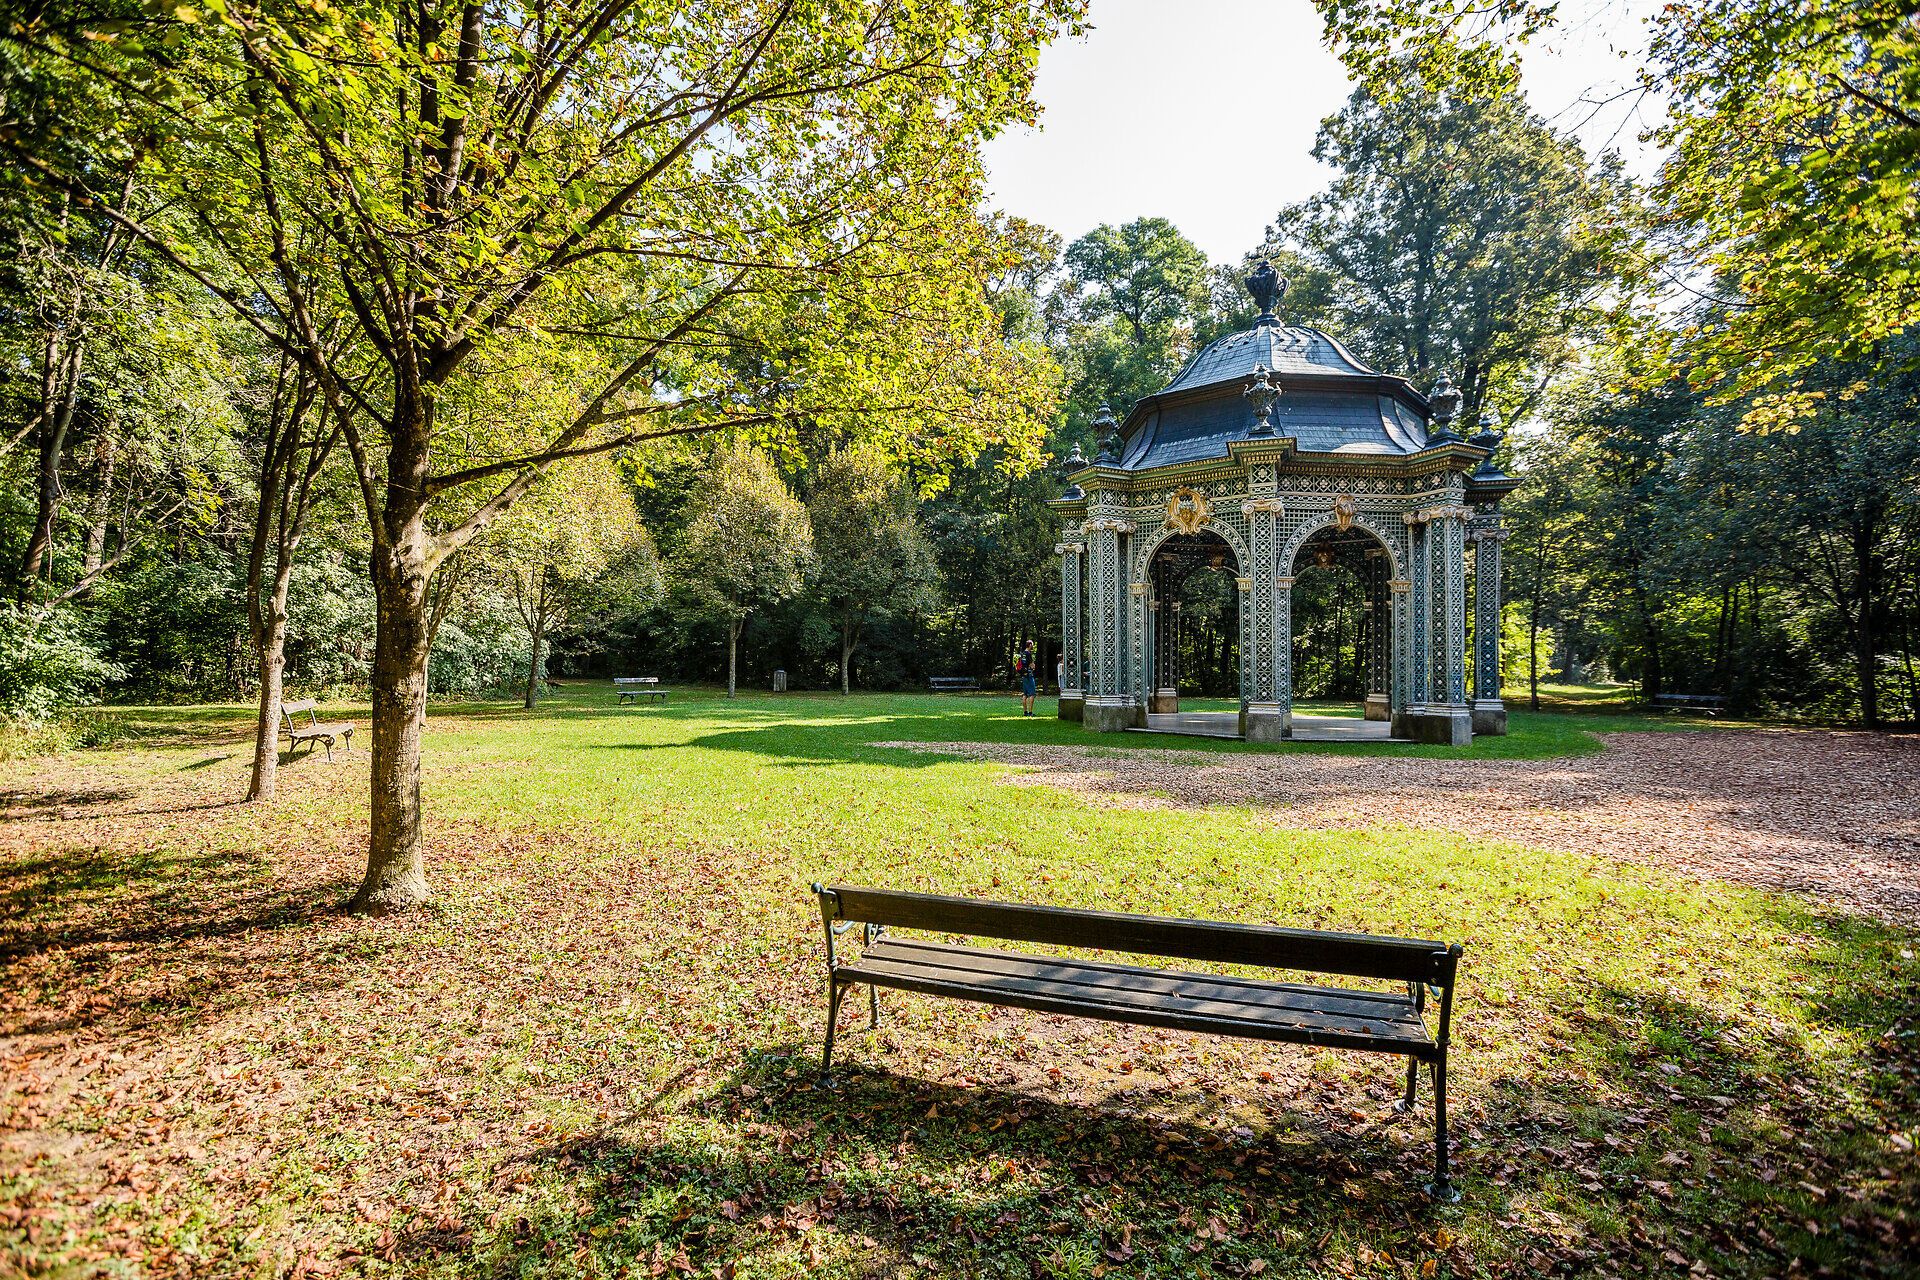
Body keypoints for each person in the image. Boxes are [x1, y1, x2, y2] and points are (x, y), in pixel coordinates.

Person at [1017, 641, 1038, 716]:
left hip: (1024, 675)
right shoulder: (1028, 654)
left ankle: (1025, 712)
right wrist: (1033, 666)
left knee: (1025, 694)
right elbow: (1032, 666)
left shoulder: (1022, 654)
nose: (1033, 646)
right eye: (1032, 644)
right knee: (1032, 694)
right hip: (1029, 675)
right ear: (1029, 645)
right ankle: (1030, 712)